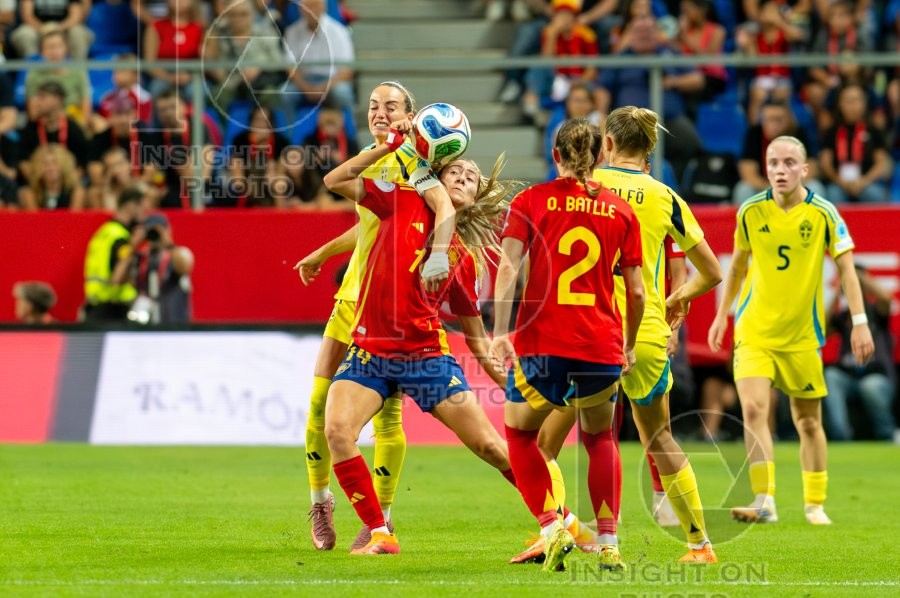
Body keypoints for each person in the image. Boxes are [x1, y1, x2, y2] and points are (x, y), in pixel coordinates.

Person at [320, 126, 519, 556]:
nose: (464, 176)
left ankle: (558, 520)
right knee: (336, 430)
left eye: (472, 175)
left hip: (426, 358)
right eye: (457, 171)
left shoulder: (463, 257)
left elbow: (477, 339)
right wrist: (387, 147)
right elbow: (333, 181)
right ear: (438, 178)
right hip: (370, 352)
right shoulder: (399, 197)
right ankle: (379, 534)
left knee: (490, 447)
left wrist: (508, 384)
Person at [292, 82, 458, 553]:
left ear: (410, 113)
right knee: (319, 406)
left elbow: (437, 209)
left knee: (387, 421)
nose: (380, 113)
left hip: (390, 306)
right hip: (351, 298)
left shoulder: (421, 162)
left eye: (391, 106)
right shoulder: (373, 153)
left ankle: (379, 519)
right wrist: (324, 251)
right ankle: (320, 503)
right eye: (373, 106)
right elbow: (370, 221)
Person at [490, 118, 646, 572]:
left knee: (520, 435)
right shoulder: (621, 211)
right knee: (599, 438)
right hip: (600, 345)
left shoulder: (530, 201)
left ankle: (551, 526)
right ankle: (609, 541)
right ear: (601, 156)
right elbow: (635, 292)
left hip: (544, 344)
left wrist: (501, 331)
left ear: (554, 154)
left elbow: (507, 269)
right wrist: (629, 345)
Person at [708, 135, 875, 525]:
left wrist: (860, 321)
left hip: (802, 336)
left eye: (788, 163)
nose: (779, 170)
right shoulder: (750, 211)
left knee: (808, 421)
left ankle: (814, 503)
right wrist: (722, 315)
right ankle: (764, 499)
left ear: (805, 170)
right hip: (755, 330)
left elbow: (848, 270)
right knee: (752, 409)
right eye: (772, 163)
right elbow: (736, 267)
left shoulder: (824, 214)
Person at [591, 106, 722, 562]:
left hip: (587, 329)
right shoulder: (665, 196)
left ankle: (563, 527)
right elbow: (712, 271)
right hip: (644, 328)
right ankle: (699, 543)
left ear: (606, 144)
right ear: (649, 152)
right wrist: (676, 298)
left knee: (551, 436)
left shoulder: (585, 186)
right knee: (659, 438)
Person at [823, 264, 896, 441]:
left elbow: (886, 300)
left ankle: (887, 434)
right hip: (849, 376)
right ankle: (840, 435)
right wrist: (840, 286)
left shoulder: (875, 311)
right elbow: (823, 327)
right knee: (831, 375)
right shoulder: (844, 315)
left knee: (869, 386)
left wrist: (856, 277)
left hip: (877, 375)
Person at [83, 185, 149, 322]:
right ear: (131, 206)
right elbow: (116, 278)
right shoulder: (120, 237)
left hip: (96, 306)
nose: (145, 214)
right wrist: (133, 246)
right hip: (115, 309)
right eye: (142, 208)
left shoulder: (104, 232)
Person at [819, 84, 891, 203]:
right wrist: (840, 181)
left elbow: (881, 163)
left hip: (866, 182)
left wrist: (863, 182)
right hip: (838, 183)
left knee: (875, 195)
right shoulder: (832, 131)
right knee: (833, 195)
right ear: (840, 104)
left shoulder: (874, 130)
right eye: (848, 101)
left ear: (864, 104)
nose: (852, 106)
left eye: (856, 100)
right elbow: (825, 163)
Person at [283, 0, 355, 110]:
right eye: (307, 7)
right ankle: (289, 127)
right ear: (300, 9)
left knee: (342, 92)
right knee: (284, 94)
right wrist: (306, 88)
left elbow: (347, 70)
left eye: (315, 6)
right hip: (304, 82)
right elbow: (290, 67)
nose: (311, 11)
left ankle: (348, 126)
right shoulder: (291, 32)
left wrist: (323, 88)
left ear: (324, 8)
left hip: (332, 82)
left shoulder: (339, 31)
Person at [129, 212, 194, 324]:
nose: (155, 236)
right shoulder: (141, 257)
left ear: (167, 230)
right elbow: (120, 279)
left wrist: (167, 242)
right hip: (148, 322)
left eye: (159, 231)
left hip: (175, 322)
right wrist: (131, 246)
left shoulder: (177, 254)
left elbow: (183, 267)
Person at [10, 0, 94, 60]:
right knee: (25, 34)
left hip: (64, 29)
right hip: (37, 29)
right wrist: (44, 29)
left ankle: (78, 73)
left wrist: (59, 28)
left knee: (78, 32)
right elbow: (27, 15)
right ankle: (32, 73)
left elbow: (75, 16)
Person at [19, 143, 85, 210]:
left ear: (64, 166)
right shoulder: (30, 193)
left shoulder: (76, 192)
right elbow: (33, 219)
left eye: (55, 163)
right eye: (45, 164)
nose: (50, 168)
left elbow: (75, 219)